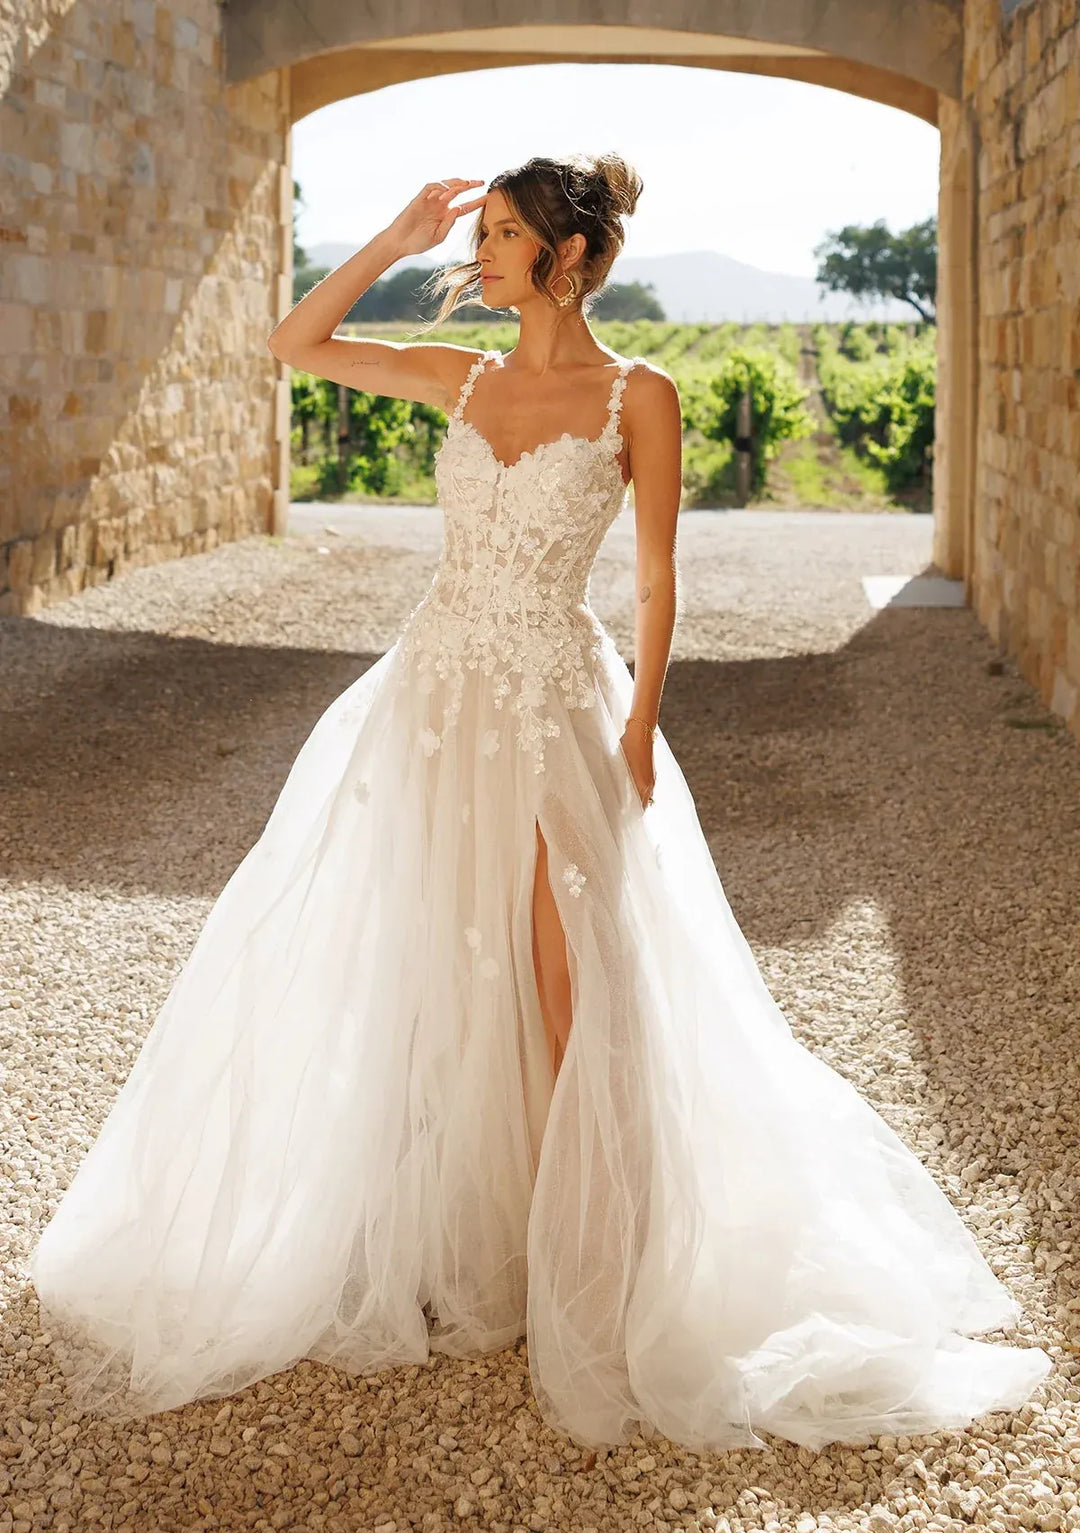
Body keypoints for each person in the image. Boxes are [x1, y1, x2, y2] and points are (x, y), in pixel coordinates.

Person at [26, 154, 1052, 1452]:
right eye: (487, 231)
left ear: (569, 257)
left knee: (573, 981)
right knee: (437, 964)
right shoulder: (459, 373)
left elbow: (662, 577)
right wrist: (399, 234)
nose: (487, 249)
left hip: (561, 704)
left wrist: (638, 729)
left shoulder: (643, 395)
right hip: (436, 698)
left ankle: (608, 1266)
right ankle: (470, 1234)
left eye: (507, 233)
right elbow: (298, 338)